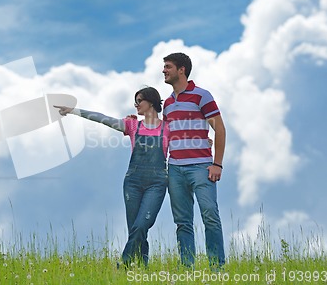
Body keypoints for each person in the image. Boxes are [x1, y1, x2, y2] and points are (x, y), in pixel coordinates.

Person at [54, 87, 169, 268]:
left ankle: (123, 263)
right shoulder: (132, 125)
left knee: (141, 225)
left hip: (157, 183)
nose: (136, 105)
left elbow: (185, 142)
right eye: (135, 101)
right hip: (133, 182)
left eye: (139, 100)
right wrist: (74, 111)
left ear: (151, 102)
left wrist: (204, 142)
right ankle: (143, 268)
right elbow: (102, 118)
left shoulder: (167, 128)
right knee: (136, 230)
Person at [161, 52, 226, 269]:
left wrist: (217, 164)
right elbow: (166, 135)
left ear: (181, 70)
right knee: (182, 223)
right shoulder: (168, 103)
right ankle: (187, 269)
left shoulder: (202, 96)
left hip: (202, 167)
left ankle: (217, 268)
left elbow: (220, 129)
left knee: (210, 216)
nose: (164, 70)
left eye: (168, 67)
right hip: (175, 169)